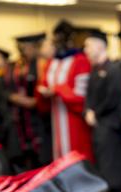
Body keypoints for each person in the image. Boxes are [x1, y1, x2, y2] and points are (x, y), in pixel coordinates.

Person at [84, 29, 121, 192]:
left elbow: (113, 97)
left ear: (99, 46)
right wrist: (88, 110)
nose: (85, 50)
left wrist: (95, 112)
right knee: (102, 164)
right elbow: (88, 96)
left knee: (113, 166)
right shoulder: (95, 71)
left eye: (88, 45)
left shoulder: (114, 70)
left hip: (111, 126)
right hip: (98, 125)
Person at [36, 20, 92, 162]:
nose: (57, 44)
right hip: (55, 118)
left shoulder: (80, 61)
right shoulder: (52, 62)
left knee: (75, 157)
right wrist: (44, 91)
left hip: (75, 120)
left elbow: (81, 97)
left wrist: (57, 89)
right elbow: (43, 85)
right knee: (58, 156)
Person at [6, 32, 49, 170]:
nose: (24, 50)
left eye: (27, 47)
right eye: (22, 47)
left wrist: (34, 101)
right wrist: (14, 97)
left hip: (39, 118)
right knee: (25, 155)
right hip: (21, 119)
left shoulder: (43, 65)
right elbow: (7, 89)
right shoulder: (16, 66)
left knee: (41, 154)